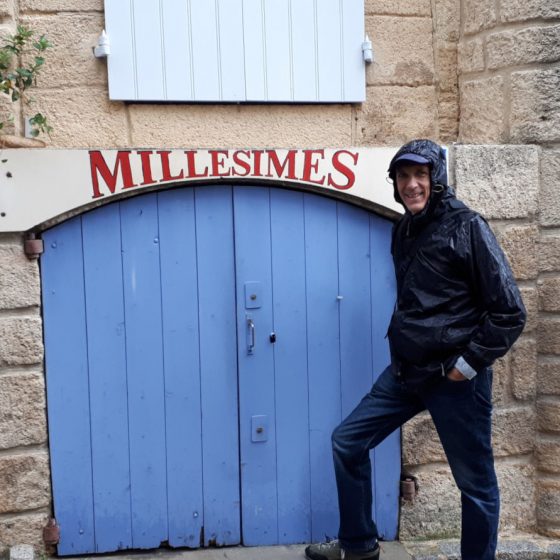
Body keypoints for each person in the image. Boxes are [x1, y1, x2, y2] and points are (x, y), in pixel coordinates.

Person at [304, 139, 526, 560]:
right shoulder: (403, 228)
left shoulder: (468, 226)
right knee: (347, 442)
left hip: (455, 377)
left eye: (420, 175)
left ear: (436, 179)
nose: (411, 185)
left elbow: (510, 312)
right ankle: (358, 546)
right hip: (407, 372)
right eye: (403, 177)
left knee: (475, 485)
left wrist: (466, 365)